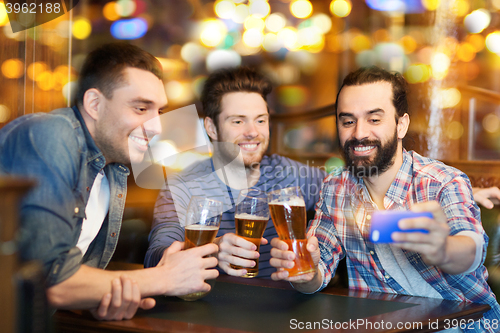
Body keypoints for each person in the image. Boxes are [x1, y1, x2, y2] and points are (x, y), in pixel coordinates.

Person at [269, 66, 500, 332]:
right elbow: (317, 270)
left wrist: (443, 249)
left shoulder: (443, 182)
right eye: (347, 121)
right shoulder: (336, 188)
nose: (358, 133)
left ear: (401, 124)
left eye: (374, 120)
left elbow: (471, 248)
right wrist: (304, 273)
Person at [0, 43, 219, 321]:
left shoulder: (113, 169)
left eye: (159, 112)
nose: (157, 127)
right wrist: (164, 278)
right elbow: (51, 280)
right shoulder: (51, 134)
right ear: (94, 104)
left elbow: (69, 283)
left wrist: (104, 295)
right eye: (141, 108)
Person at [145, 67, 326, 278]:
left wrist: (317, 245)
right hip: (211, 307)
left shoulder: (292, 175)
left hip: (282, 304)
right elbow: (155, 260)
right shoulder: (183, 186)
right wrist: (212, 249)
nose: (252, 132)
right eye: (238, 121)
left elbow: (349, 191)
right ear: (211, 128)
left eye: (260, 120)